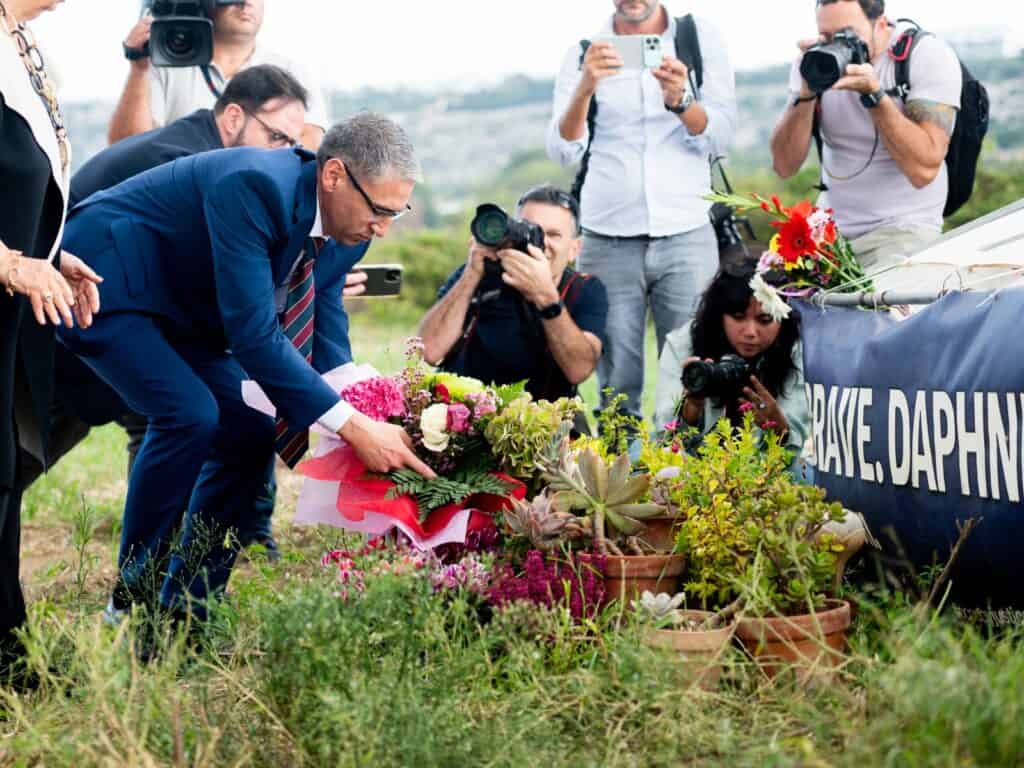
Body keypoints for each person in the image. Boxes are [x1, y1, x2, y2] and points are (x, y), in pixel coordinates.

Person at [58, 112, 434, 622]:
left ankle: (190, 606)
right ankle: (132, 600)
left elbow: (325, 324)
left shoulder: (353, 230)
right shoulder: (255, 186)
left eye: (396, 212)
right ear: (333, 175)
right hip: (105, 281)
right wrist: (353, 426)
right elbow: (254, 337)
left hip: (185, 309)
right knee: (189, 414)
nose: (384, 229)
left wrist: (366, 410)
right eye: (379, 210)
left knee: (252, 428)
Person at [21, 65, 349, 560]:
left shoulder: (242, 166)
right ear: (234, 117)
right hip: (84, 298)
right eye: (278, 137)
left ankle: (184, 578)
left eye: (295, 142)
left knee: (211, 418)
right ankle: (143, 580)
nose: (288, 153)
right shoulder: (208, 166)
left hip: (157, 313)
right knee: (36, 444)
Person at [546, 0, 737, 421]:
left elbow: (723, 135)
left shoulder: (698, 39)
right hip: (608, 233)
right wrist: (585, 87)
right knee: (616, 376)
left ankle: (687, 458)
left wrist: (682, 101)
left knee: (694, 366)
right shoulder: (583, 52)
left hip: (686, 228)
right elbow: (562, 150)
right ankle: (621, 462)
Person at [0, 0, 103, 687]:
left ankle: (10, 658)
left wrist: (49, 253)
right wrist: (9, 263)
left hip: (13, 306)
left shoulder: (19, 41)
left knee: (4, 472)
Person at [769, 0, 962, 278]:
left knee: (884, 304)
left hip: (904, 229)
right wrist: (807, 91)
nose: (836, 46)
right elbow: (784, 166)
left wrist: (874, 96)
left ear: (881, 24)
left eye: (847, 35)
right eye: (827, 37)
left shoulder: (925, 55)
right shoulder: (816, 61)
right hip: (832, 234)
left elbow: (923, 170)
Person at [419, 186, 608, 405]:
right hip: (465, 411)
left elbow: (579, 370)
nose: (540, 242)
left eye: (553, 235)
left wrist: (546, 296)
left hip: (542, 418)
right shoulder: (478, 273)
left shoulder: (585, 289)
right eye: (530, 229)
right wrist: (472, 273)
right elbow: (429, 351)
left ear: (574, 249)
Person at [653, 264, 810, 474]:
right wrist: (690, 409)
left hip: (764, 472)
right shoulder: (684, 344)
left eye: (764, 320)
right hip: (696, 467)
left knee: (804, 474)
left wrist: (780, 429)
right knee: (643, 459)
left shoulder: (796, 350)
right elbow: (664, 440)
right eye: (738, 317)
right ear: (720, 316)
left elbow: (791, 454)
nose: (751, 332)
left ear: (783, 319)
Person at [110, 0, 329, 149]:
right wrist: (139, 69)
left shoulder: (292, 72)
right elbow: (127, 148)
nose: (246, 3)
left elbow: (311, 144)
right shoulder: (165, 63)